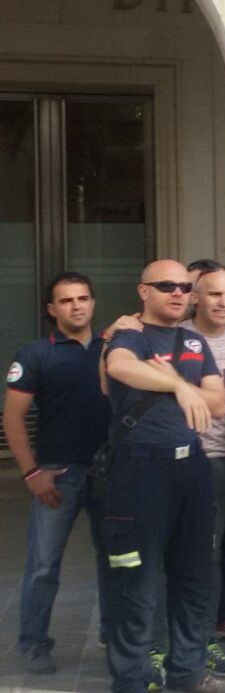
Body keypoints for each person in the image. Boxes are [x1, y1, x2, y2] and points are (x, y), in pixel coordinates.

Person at [101, 261, 225, 693]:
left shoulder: (193, 339)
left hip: (191, 465)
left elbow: (218, 403)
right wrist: (178, 386)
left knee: (194, 576)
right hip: (140, 467)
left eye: (185, 287)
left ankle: (187, 673)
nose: (178, 293)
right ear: (143, 290)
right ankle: (132, 679)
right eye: (166, 286)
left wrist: (186, 384)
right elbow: (119, 368)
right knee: (135, 581)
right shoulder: (128, 335)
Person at [6, 272, 111, 675]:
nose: (76, 306)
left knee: (115, 560)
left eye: (83, 298)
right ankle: (34, 642)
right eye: (66, 301)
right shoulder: (35, 354)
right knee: (43, 564)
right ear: (52, 309)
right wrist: (32, 472)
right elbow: (14, 418)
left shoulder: (113, 347)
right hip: (58, 475)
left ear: (93, 302)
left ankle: (114, 633)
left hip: (108, 473)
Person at [179, 265, 225, 675]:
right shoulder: (177, 338)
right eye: (214, 294)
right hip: (188, 459)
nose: (223, 303)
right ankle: (195, 635)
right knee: (197, 554)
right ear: (195, 297)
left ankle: (222, 621)